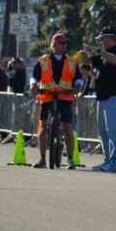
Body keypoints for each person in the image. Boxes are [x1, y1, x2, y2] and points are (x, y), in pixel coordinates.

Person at [29, 33, 84, 169]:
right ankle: (42, 158)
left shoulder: (72, 61)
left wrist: (77, 87)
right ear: (53, 45)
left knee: (67, 127)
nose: (64, 45)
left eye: (66, 43)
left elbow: (78, 79)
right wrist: (33, 86)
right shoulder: (43, 60)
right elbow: (34, 77)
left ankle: (70, 159)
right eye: (61, 43)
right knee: (43, 127)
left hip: (65, 97)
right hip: (47, 96)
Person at [83, 26, 116, 173]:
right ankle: (107, 160)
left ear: (110, 38)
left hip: (112, 95)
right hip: (102, 96)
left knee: (113, 129)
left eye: (102, 39)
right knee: (103, 130)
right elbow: (89, 62)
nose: (101, 41)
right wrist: (84, 56)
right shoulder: (103, 54)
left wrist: (98, 50)